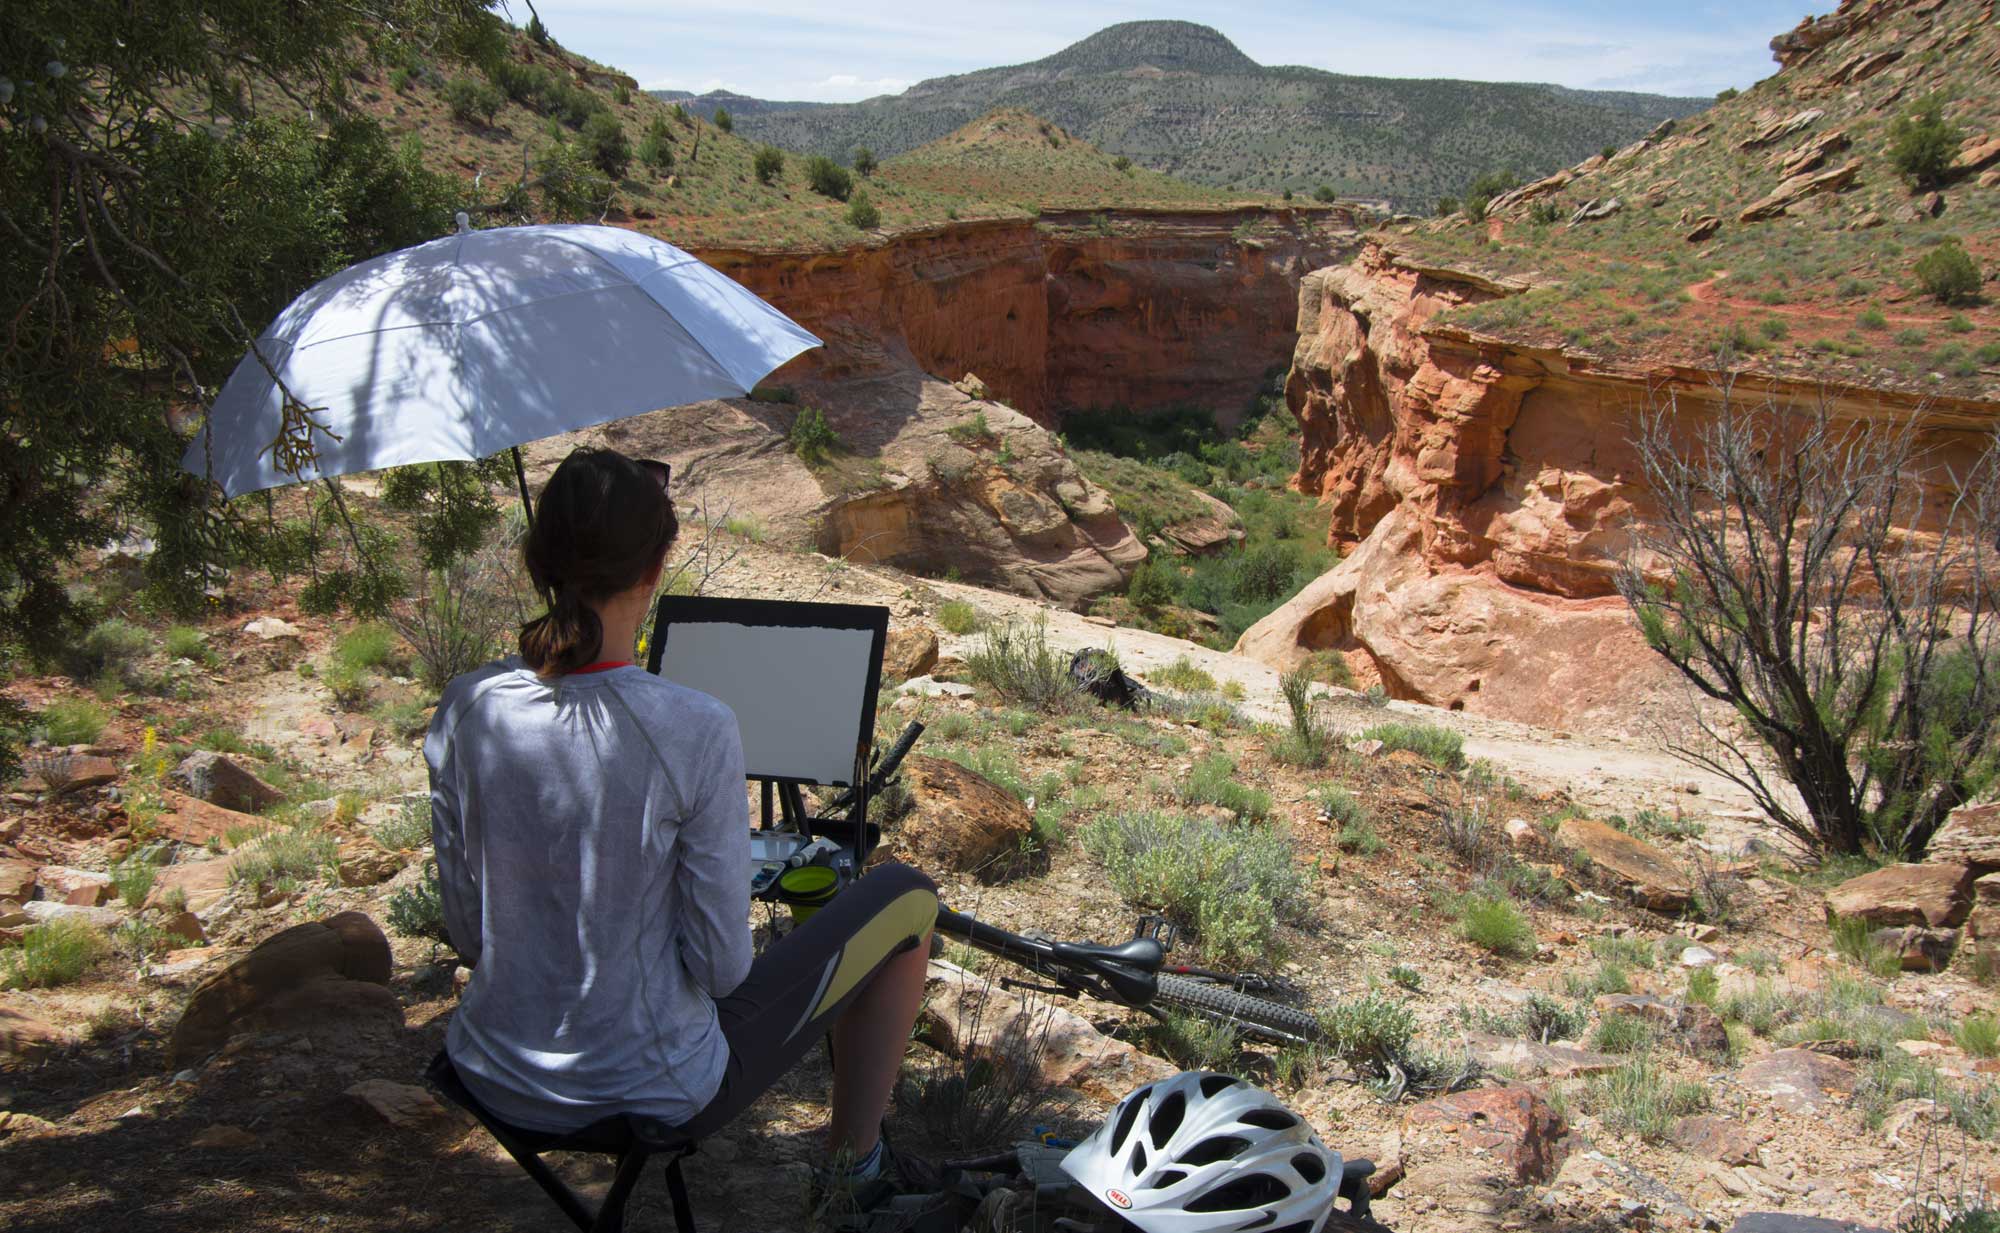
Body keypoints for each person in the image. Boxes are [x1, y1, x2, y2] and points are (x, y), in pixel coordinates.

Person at [425, 446, 937, 1208]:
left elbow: (468, 930)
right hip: (650, 1090)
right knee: (907, 897)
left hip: (491, 1072)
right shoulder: (692, 726)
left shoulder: (467, 707)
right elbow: (724, 970)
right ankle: (851, 1173)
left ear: (540, 560)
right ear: (654, 570)